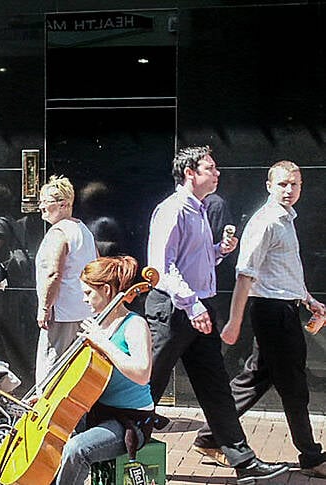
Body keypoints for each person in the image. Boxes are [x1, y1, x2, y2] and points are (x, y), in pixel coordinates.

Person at [145, 146, 287, 482]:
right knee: (148, 383)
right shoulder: (173, 210)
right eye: (211, 168)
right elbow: (161, 267)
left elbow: (191, 259)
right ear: (190, 173)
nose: (218, 173)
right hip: (175, 309)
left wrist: (217, 252)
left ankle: (244, 461)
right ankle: (117, 444)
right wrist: (192, 304)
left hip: (198, 307)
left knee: (215, 386)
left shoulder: (200, 209)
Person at [196, 161, 326, 478]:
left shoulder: (285, 220)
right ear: (269, 186)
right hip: (272, 312)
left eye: (294, 184)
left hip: (283, 308)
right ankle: (311, 457)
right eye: (282, 184)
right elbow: (245, 274)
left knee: (254, 378)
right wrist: (234, 322)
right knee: (294, 386)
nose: (289, 190)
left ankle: (211, 436)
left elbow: (284, 270)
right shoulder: (266, 221)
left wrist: (307, 298)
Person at [54, 256, 156, 484]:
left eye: (88, 293)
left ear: (107, 290)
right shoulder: (97, 324)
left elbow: (142, 374)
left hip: (131, 420)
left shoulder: (134, 325)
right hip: (98, 411)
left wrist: (104, 342)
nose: (84, 299)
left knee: (76, 449)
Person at [34, 176, 98, 388]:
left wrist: (44, 307)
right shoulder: (84, 231)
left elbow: (53, 273)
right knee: (77, 370)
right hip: (84, 310)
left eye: (45, 201)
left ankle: (46, 417)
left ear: (63, 204)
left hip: (61, 312)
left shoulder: (58, 232)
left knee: (51, 366)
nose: (41, 205)